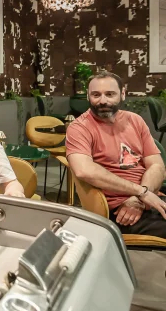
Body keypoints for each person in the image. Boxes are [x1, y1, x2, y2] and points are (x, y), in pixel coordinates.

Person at [66, 71, 166, 240]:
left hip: (148, 196)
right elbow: (84, 171)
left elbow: (157, 166)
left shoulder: (135, 120)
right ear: (88, 97)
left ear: (123, 94)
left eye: (110, 94)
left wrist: (140, 198)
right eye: (96, 95)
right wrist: (141, 193)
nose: (103, 100)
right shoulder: (79, 128)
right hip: (118, 208)